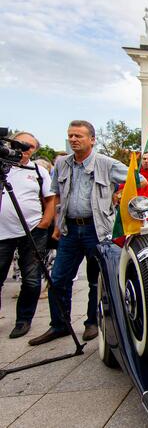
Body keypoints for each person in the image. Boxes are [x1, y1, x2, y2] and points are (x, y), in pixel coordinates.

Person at [28, 121, 146, 346]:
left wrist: (118, 195)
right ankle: (59, 325)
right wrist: (56, 226)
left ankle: (93, 321)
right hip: (70, 230)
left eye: (79, 136)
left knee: (96, 279)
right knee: (59, 279)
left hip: (96, 229)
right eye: (70, 135)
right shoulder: (62, 164)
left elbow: (140, 180)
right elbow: (57, 196)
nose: (73, 139)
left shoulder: (106, 163)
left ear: (92, 139)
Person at [0, 132, 56, 338]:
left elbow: (50, 199)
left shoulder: (38, 170)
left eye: (30, 147)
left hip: (32, 230)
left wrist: (45, 223)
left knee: (31, 279)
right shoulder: (3, 168)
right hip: (2, 233)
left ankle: (24, 320)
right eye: (21, 144)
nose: (25, 149)